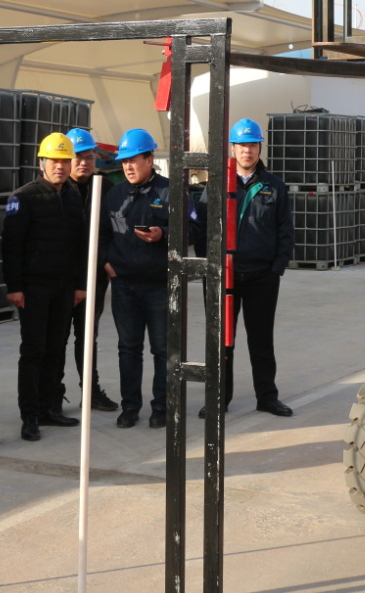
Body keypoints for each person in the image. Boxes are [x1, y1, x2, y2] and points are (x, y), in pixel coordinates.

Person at [99, 129, 200, 428]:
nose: (128, 166)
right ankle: (130, 407)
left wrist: (163, 234)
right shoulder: (114, 195)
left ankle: (162, 408)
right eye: (124, 161)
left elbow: (193, 230)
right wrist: (107, 264)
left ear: (149, 159)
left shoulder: (171, 191)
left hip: (159, 286)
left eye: (133, 160)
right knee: (128, 349)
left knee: (162, 350)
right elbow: (101, 234)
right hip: (124, 286)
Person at [197, 118, 295, 419]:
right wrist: (209, 266)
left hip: (262, 277)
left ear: (259, 148)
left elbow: (285, 230)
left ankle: (267, 397)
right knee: (221, 341)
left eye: (252, 145)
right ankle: (218, 399)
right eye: (242, 145)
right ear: (233, 148)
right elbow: (201, 228)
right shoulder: (217, 184)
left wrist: (276, 268)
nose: (247, 151)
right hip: (223, 276)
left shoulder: (274, 186)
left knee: (261, 340)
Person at [2, 133, 88, 441]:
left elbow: (80, 244)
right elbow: (11, 245)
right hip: (34, 288)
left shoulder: (73, 196)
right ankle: (30, 415)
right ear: (42, 163)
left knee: (56, 349)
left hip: (64, 288)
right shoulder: (23, 197)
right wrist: (14, 287)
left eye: (65, 161)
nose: (60, 167)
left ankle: (49, 407)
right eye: (54, 161)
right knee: (34, 350)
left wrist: (80, 285)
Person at [63, 128, 119, 412]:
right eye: (77, 157)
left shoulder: (106, 188)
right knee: (55, 338)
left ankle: (91, 391)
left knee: (87, 337)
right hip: (61, 278)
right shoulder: (57, 188)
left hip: (94, 277)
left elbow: (114, 231)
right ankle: (52, 394)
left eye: (89, 157)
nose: (83, 162)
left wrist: (106, 262)